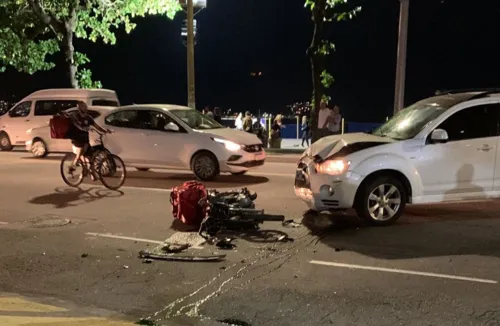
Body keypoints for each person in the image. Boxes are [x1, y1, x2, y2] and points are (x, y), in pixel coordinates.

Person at [62, 101, 111, 178]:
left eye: (85, 106)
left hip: (85, 139)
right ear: (79, 108)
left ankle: (89, 171)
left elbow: (97, 126)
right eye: (82, 106)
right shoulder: (75, 116)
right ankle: (73, 166)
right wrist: (84, 128)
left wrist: (105, 130)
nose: (85, 108)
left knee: (90, 156)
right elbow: (77, 125)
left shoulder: (88, 117)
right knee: (83, 149)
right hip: (76, 138)